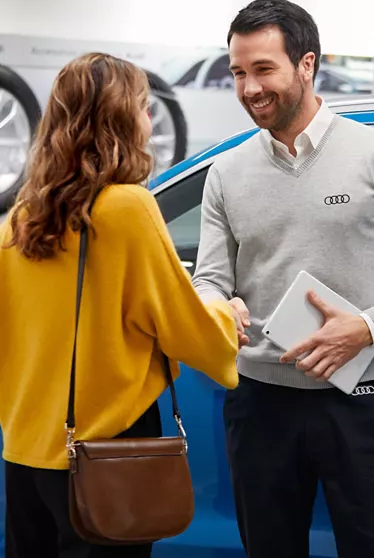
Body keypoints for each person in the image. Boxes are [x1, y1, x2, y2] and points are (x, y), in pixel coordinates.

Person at [0, 53, 238, 558]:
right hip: (104, 454)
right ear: (118, 118)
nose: (149, 121)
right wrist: (227, 316)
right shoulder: (127, 208)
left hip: (24, 454)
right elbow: (184, 327)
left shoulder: (20, 219)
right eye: (144, 107)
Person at [193, 0, 374, 558]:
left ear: (307, 65)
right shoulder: (226, 172)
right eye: (239, 73)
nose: (249, 89)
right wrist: (219, 306)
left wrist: (366, 327)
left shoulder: (368, 154)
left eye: (263, 69)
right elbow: (208, 280)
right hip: (260, 403)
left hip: (362, 397)